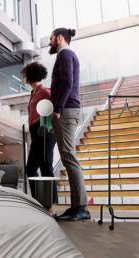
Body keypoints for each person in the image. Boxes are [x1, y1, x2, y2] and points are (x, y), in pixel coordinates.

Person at [49, 28, 90, 221]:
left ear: (59, 38)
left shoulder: (65, 55)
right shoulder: (65, 56)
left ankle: (81, 207)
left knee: (68, 155)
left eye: (51, 38)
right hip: (67, 109)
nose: (50, 42)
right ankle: (76, 207)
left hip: (66, 110)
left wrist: (57, 108)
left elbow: (66, 82)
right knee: (67, 155)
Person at [21, 62, 57, 215]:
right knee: (36, 168)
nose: (23, 77)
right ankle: (43, 204)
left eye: (25, 75)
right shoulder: (34, 93)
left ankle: (47, 207)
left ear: (29, 76)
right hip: (36, 132)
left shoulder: (44, 92)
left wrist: (43, 130)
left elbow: (50, 112)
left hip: (44, 130)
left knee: (43, 167)